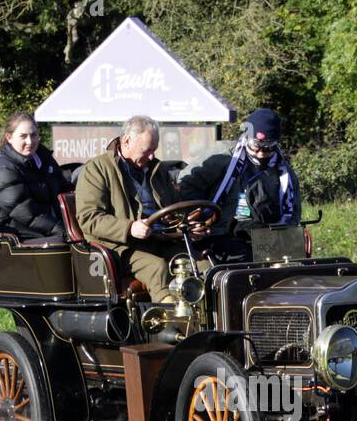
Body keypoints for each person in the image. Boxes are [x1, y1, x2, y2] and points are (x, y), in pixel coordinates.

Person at [76, 115, 191, 301]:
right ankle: (171, 324)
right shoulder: (97, 169)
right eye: (147, 150)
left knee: (196, 262)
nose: (152, 156)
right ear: (127, 141)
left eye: (154, 150)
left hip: (157, 239)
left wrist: (187, 224)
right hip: (118, 247)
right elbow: (89, 219)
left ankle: (208, 320)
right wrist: (130, 227)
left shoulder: (156, 169)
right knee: (158, 268)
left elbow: (173, 208)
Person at [180, 107, 300, 262]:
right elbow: (186, 184)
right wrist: (198, 216)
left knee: (294, 263)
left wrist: (283, 232)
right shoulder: (222, 156)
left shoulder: (283, 172)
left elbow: (293, 212)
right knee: (243, 261)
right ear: (246, 136)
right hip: (217, 232)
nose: (261, 153)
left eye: (268, 147)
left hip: (263, 235)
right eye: (256, 145)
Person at [0, 111, 71, 240]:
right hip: (12, 231)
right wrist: (63, 230)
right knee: (67, 241)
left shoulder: (43, 158)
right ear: (9, 137)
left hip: (41, 224)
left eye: (33, 135)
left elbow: (63, 187)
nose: (30, 141)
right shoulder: (4, 168)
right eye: (23, 136)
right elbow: (26, 213)